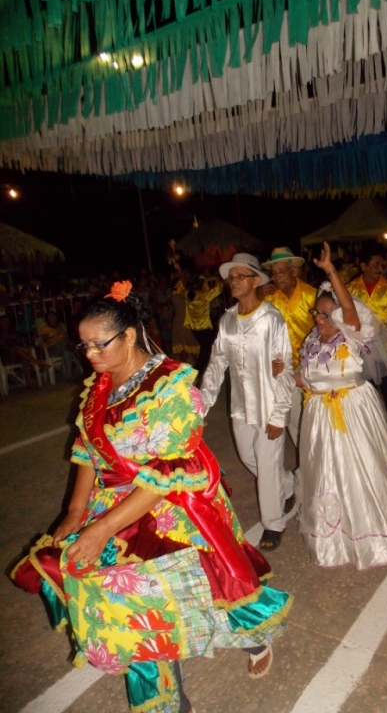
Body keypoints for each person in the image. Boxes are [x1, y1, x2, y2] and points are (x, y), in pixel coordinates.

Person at [12, 282, 292, 712]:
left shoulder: (171, 386)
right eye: (83, 345)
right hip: (114, 505)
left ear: (128, 335)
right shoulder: (99, 387)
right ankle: (168, 705)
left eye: (98, 345)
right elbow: (87, 447)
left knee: (214, 591)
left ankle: (251, 640)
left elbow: (167, 474)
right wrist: (74, 513)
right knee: (137, 619)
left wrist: (102, 529)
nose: (89, 355)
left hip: (170, 508)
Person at [293, 243, 387, 569]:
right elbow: (310, 377)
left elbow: (349, 311)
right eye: (317, 313)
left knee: (363, 471)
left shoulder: (352, 335)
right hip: (321, 416)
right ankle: (336, 540)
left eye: (327, 314)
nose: (320, 319)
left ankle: (378, 536)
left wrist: (330, 271)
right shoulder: (311, 340)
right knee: (328, 475)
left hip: (355, 412)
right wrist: (293, 376)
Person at [201, 254, 295, 552]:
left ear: (256, 280)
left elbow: (285, 366)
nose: (234, 282)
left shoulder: (271, 319)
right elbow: (217, 364)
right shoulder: (227, 319)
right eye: (232, 277)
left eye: (241, 276)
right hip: (241, 406)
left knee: (266, 465)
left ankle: (274, 523)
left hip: (269, 404)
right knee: (248, 457)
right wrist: (202, 404)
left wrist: (279, 415)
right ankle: (289, 484)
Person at [346, 246, 387, 436]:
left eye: (381, 264)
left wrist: (386, 344)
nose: (380, 268)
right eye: (375, 264)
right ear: (363, 266)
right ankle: (374, 441)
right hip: (362, 354)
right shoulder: (350, 288)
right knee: (368, 401)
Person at [261, 246, 316, 447]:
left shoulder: (312, 296)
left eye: (281, 272)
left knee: (314, 414)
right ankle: (304, 457)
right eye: (273, 274)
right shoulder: (269, 299)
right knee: (294, 416)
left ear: (294, 271)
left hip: (312, 363)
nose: (276, 278)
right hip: (285, 366)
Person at [39, 310, 76, 379]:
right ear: (47, 319)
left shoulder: (60, 325)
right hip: (52, 348)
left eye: (53, 316)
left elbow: (66, 336)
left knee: (66, 353)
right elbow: (42, 339)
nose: (52, 318)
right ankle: (74, 348)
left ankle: (69, 376)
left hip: (63, 347)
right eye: (50, 317)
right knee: (68, 345)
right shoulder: (45, 328)